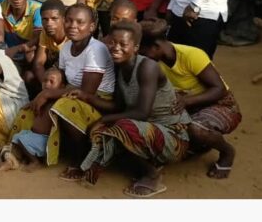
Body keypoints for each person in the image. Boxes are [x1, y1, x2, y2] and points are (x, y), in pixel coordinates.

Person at [79, 21, 191, 198]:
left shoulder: (148, 67)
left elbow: (141, 113)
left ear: (136, 47)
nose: (116, 48)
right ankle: (141, 161)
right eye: (112, 43)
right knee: (101, 131)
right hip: (147, 130)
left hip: (173, 136)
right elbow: (119, 106)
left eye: (123, 44)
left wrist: (103, 120)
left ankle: (153, 175)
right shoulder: (120, 67)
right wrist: (88, 98)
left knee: (121, 126)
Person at [19, 4, 115, 178]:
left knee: (62, 106)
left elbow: (87, 91)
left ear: (92, 27)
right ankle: (33, 149)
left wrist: (47, 93)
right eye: (69, 21)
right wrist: (46, 92)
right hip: (73, 94)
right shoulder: (66, 48)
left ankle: (82, 159)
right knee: (31, 109)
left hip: (97, 100)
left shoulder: (96, 50)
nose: (73, 26)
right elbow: (63, 78)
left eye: (80, 22)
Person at [140, 18, 242, 179]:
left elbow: (219, 89)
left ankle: (227, 152)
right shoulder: (155, 63)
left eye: (143, 52)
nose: (142, 56)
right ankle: (200, 144)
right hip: (187, 107)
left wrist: (187, 101)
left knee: (197, 129)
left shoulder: (192, 55)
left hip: (220, 105)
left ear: (156, 47)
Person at [0, 0, 42, 94]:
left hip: (25, 53)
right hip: (8, 52)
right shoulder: (0, 2)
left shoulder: (37, 9)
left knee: (30, 56)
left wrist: (19, 48)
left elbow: (38, 37)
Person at [9, 66, 63, 166]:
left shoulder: (57, 103)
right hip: (33, 135)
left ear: (61, 86)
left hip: (44, 139)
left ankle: (35, 161)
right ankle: (28, 157)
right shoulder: (40, 99)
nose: (46, 84)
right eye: (44, 81)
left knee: (22, 140)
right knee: (16, 137)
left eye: (52, 82)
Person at [32, 0, 68, 74]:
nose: (49, 23)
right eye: (45, 19)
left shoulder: (71, 36)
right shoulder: (45, 33)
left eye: (54, 18)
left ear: (64, 19)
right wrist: (44, 83)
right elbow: (38, 63)